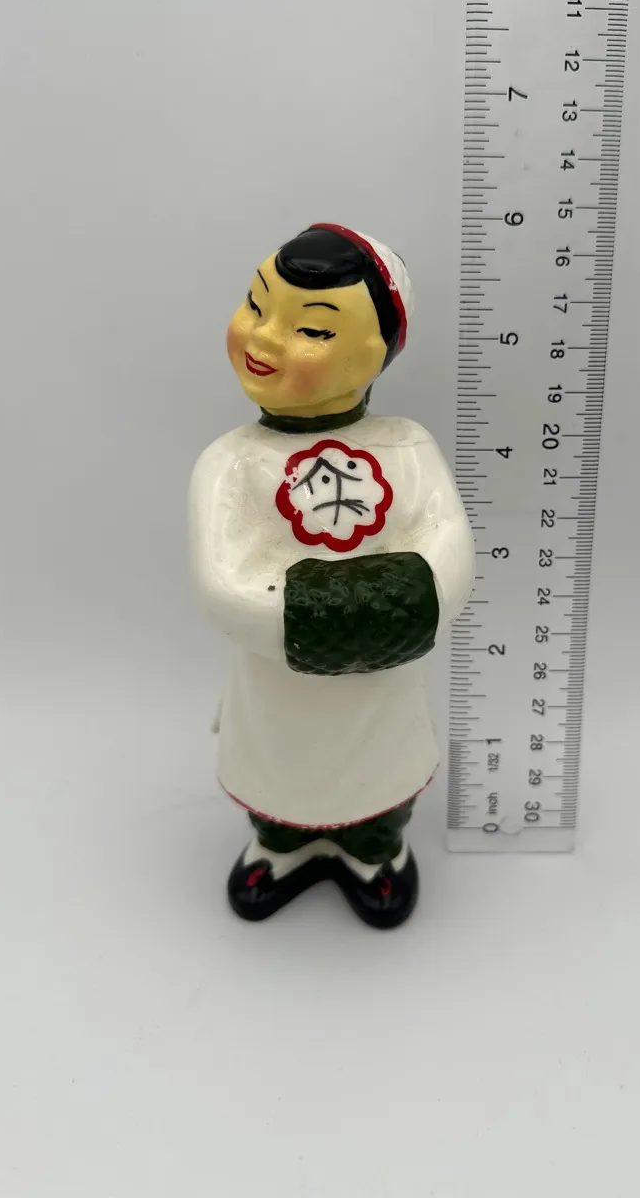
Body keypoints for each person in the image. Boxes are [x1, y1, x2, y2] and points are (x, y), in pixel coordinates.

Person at [189, 224, 474, 929]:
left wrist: (395, 604)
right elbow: (223, 585)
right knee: (278, 771)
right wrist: (345, 610)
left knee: (379, 772)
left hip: (380, 690)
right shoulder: (229, 463)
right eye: (257, 306)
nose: (264, 338)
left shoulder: (408, 447)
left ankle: (377, 851)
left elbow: (449, 551)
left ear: (374, 354)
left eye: (311, 329)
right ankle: (278, 844)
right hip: (277, 686)